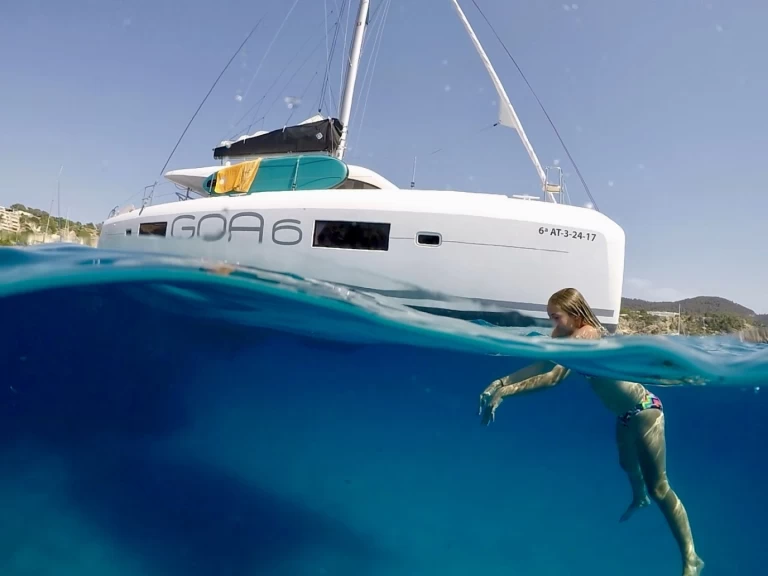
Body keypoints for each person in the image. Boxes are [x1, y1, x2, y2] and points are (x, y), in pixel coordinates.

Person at [478, 288, 704, 576]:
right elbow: (541, 364)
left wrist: (506, 394)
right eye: (550, 318)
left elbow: (553, 378)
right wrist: (499, 382)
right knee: (626, 464)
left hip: (645, 410)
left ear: (574, 313)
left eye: (556, 317)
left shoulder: (587, 334)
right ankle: (639, 498)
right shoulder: (562, 335)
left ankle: (691, 558)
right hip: (624, 416)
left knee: (659, 487)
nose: (553, 324)